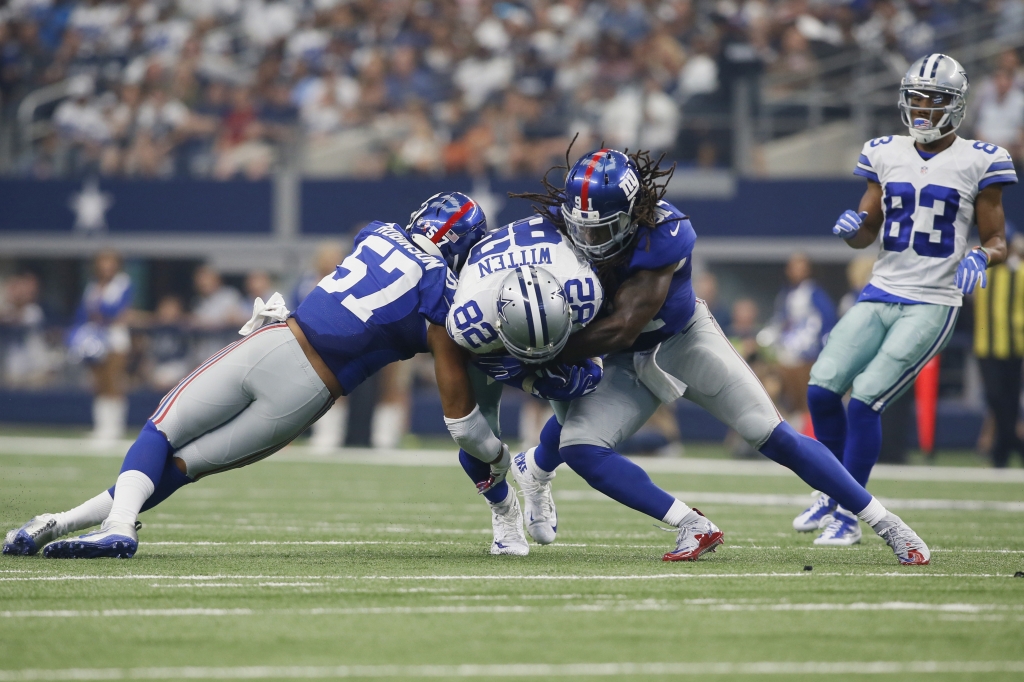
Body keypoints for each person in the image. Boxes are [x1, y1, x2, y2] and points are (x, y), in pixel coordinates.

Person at [3, 192, 505, 559]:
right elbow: (453, 361)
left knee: (162, 429)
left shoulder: (376, 232)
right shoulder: (445, 297)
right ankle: (63, 522)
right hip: (309, 394)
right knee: (185, 465)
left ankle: (112, 525)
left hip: (279, 341)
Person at [507, 146, 932, 564]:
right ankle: (688, 523)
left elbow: (625, 325)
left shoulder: (665, 231)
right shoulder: (557, 229)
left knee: (773, 435)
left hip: (682, 340)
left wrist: (544, 352)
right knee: (581, 446)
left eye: (601, 230)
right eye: (581, 228)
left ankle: (886, 522)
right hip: (620, 360)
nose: (588, 239)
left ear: (633, 214)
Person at [798, 53, 1016, 545]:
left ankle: (850, 517)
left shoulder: (982, 159)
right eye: (916, 97)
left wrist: (982, 257)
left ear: (955, 106)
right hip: (881, 289)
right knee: (821, 389)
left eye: (933, 99)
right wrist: (853, 231)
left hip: (933, 300)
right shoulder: (884, 151)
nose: (921, 108)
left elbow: (998, 240)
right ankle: (830, 495)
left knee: (865, 402)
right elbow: (866, 231)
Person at [445, 214, 607, 555]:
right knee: (478, 430)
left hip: (553, 308)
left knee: (576, 418)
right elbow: (468, 359)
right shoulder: (471, 319)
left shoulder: (583, 289)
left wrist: (591, 364)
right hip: (493, 336)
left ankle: (537, 473)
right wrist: (529, 380)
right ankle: (503, 512)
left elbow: (603, 339)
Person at [67, 250, 133, 443]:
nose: (106, 266)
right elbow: (83, 311)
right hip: (95, 340)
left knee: (113, 381)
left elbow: (114, 309)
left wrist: (100, 309)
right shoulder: (93, 285)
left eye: (110, 262)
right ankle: (101, 427)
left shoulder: (123, 283)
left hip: (115, 339)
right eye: (103, 262)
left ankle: (115, 428)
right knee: (99, 383)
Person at [973, 226, 1024, 468]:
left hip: (1014, 347)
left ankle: (1000, 456)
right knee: (995, 398)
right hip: (986, 347)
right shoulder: (982, 272)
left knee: (1010, 402)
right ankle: (1015, 444)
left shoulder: (1020, 273)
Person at [762, 253, 836, 417]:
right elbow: (780, 322)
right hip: (785, 352)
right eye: (793, 266)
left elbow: (827, 323)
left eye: (801, 266)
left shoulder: (815, 294)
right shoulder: (785, 294)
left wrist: (823, 353)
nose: (796, 271)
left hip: (807, 355)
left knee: (805, 401)